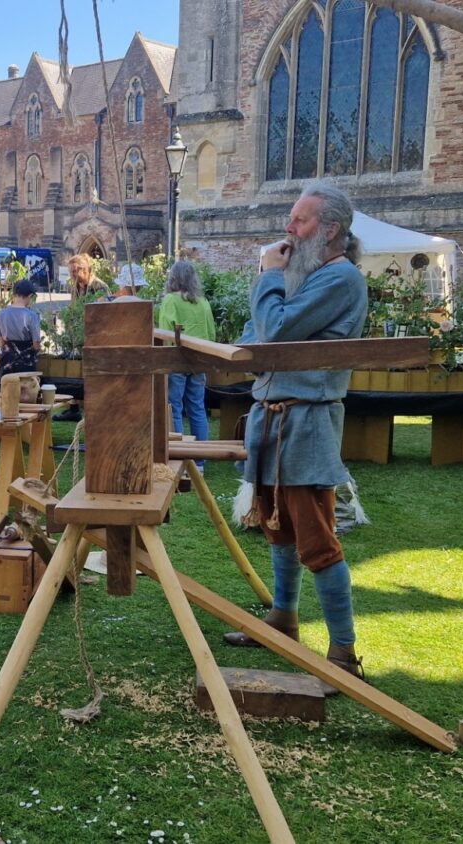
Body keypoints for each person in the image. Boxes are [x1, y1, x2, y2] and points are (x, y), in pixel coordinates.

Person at [223, 181, 369, 692]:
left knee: (316, 539)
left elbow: (275, 333)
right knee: (277, 528)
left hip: (305, 423)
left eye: (300, 220)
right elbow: (256, 337)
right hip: (272, 419)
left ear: (329, 230)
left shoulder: (341, 278)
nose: (288, 228)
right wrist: (270, 304)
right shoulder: (305, 277)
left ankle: (344, 654)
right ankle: (283, 619)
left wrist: (268, 276)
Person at [155, 261, 215, 444]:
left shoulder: (170, 300)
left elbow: (165, 333)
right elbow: (211, 333)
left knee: (175, 409)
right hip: (199, 361)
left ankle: (179, 454)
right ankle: (201, 457)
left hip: (177, 360)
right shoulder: (203, 302)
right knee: (197, 408)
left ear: (172, 278)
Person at [0, 279, 42, 382]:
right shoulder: (32, 316)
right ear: (30, 296)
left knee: (7, 389)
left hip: (7, 362)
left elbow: (1, 342)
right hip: (26, 363)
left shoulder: (1, 314)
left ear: (14, 294)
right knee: (26, 390)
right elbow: (36, 344)